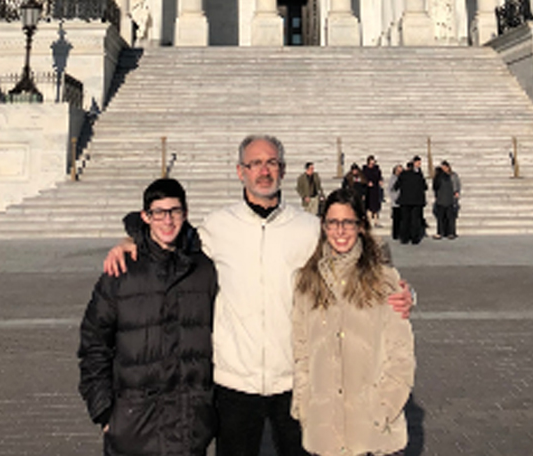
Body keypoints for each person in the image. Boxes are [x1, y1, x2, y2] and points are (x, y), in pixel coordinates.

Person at [104, 135, 413, 456]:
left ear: (283, 169)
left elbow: (356, 265)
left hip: (292, 379)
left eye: (272, 163)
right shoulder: (217, 227)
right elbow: (168, 237)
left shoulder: (308, 228)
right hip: (235, 381)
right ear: (241, 171)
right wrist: (133, 240)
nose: (264, 171)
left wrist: (408, 294)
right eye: (255, 164)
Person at [79, 177, 217, 456]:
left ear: (185, 213)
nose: (168, 221)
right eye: (159, 213)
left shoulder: (204, 268)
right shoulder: (121, 271)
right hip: (132, 425)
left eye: (175, 211)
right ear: (146, 216)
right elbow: (94, 343)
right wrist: (104, 412)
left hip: (188, 424)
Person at [291, 188, 415, 456]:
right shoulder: (305, 283)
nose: (341, 231)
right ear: (323, 227)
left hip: (374, 434)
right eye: (333, 223)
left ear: (360, 225)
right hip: (324, 432)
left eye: (348, 222)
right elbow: (301, 352)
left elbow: (401, 355)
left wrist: (384, 408)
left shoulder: (384, 279)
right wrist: (304, 405)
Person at [396, 156, 428, 245]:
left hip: (405, 200)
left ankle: (404, 238)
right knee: (415, 220)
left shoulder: (403, 175)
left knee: (405, 219)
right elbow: (425, 187)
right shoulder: (418, 175)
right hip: (417, 201)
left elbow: (396, 186)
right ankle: (414, 238)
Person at [431, 160, 455, 240]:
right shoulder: (449, 177)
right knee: (449, 217)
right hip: (449, 199)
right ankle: (450, 232)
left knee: (441, 217)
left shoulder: (439, 178)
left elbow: (435, 187)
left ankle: (440, 232)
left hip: (441, 199)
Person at [362, 154, 383, 223]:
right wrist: (367, 182)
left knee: (376, 204)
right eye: (371, 162)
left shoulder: (376, 169)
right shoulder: (365, 169)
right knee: (369, 204)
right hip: (368, 189)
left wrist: (380, 180)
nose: (372, 164)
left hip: (375, 188)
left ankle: (376, 220)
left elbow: (379, 176)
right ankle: (369, 219)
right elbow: (363, 178)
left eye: (373, 162)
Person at [388, 163, 403, 241]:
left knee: (402, 219)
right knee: (396, 219)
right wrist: (394, 198)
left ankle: (401, 233)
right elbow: (390, 189)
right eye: (398, 170)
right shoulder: (393, 178)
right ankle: (395, 234)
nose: (399, 171)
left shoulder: (403, 178)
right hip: (395, 202)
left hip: (403, 201)